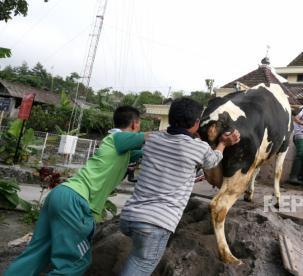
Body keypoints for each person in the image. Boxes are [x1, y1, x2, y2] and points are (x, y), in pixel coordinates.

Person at [5, 106, 148, 276]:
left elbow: (143, 152)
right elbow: (148, 139)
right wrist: (175, 133)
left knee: (37, 252)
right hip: (75, 201)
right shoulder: (118, 138)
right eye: (139, 125)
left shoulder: (120, 148)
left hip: (62, 194)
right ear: (134, 124)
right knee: (75, 263)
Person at [119, 97, 240, 276]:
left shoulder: (153, 138)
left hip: (129, 217)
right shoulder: (198, 148)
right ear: (197, 123)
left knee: (138, 257)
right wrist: (223, 143)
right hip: (156, 224)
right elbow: (212, 160)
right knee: (140, 266)